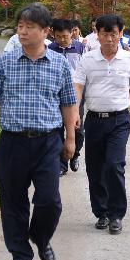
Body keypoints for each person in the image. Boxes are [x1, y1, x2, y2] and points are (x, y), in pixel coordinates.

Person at [0, 3, 78, 260]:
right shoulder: (5, 62)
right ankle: (20, 255)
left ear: (45, 31)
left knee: (49, 200)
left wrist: (71, 139)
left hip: (48, 142)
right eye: (20, 26)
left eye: (29, 27)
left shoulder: (59, 65)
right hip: (13, 142)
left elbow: (69, 104)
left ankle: (41, 238)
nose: (22, 31)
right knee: (13, 202)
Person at [74, 14, 130, 235]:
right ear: (98, 34)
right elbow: (78, 87)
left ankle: (116, 214)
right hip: (94, 119)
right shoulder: (88, 59)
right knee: (95, 168)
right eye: (105, 33)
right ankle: (101, 212)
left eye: (114, 33)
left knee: (114, 165)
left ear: (121, 34)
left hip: (120, 120)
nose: (110, 38)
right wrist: (75, 111)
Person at [48, 18, 85, 175]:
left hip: (76, 94)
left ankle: (75, 154)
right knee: (58, 129)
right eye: (59, 36)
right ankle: (61, 164)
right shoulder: (50, 49)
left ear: (72, 33)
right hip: (56, 94)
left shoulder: (81, 48)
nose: (62, 39)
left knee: (77, 129)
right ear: (53, 35)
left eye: (65, 36)